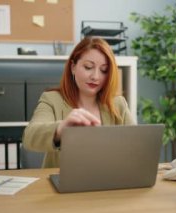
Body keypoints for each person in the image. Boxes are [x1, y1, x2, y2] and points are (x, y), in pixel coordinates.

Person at [22, 37, 135, 168]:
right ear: (73, 67)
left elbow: (136, 145)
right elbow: (29, 137)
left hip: (108, 181)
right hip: (64, 184)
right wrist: (60, 130)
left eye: (104, 70)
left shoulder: (118, 104)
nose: (95, 76)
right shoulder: (52, 99)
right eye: (88, 67)